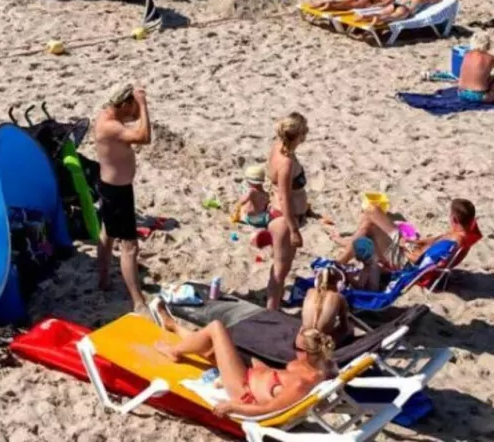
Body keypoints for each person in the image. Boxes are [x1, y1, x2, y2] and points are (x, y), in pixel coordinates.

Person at [153, 317, 335, 420]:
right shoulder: (322, 366)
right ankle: (175, 327)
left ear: (307, 353)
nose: (292, 350)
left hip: (244, 391)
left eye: (296, 348)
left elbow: (269, 409)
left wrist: (231, 406)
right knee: (214, 350)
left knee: (216, 328)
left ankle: (174, 351)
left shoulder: (300, 384)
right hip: (254, 375)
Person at [94, 85, 152, 313]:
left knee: (108, 231)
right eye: (133, 107)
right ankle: (137, 301)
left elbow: (133, 124)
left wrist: (137, 107)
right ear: (125, 104)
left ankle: (103, 279)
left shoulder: (108, 115)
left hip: (110, 186)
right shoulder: (110, 126)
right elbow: (144, 137)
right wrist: (144, 105)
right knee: (129, 247)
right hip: (117, 191)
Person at [330, 198, 476, 272]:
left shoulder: (452, 243)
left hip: (405, 261)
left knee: (371, 213)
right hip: (409, 249)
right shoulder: (462, 233)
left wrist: (404, 245)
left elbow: (422, 263)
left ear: (454, 219)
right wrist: (411, 242)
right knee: (371, 219)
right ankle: (347, 244)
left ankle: (339, 263)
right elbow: (429, 246)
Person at [264, 113, 310, 311]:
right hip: (284, 219)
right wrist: (294, 230)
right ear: (298, 136)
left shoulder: (278, 149)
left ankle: (272, 303)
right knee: (280, 270)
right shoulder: (287, 163)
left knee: (279, 266)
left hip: (278, 214)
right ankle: (271, 311)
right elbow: (284, 197)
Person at [235, 164, 270, 230]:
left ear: (250, 182)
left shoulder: (252, 191)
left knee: (243, 209)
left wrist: (239, 203)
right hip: (263, 219)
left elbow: (242, 201)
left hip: (252, 219)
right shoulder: (266, 194)